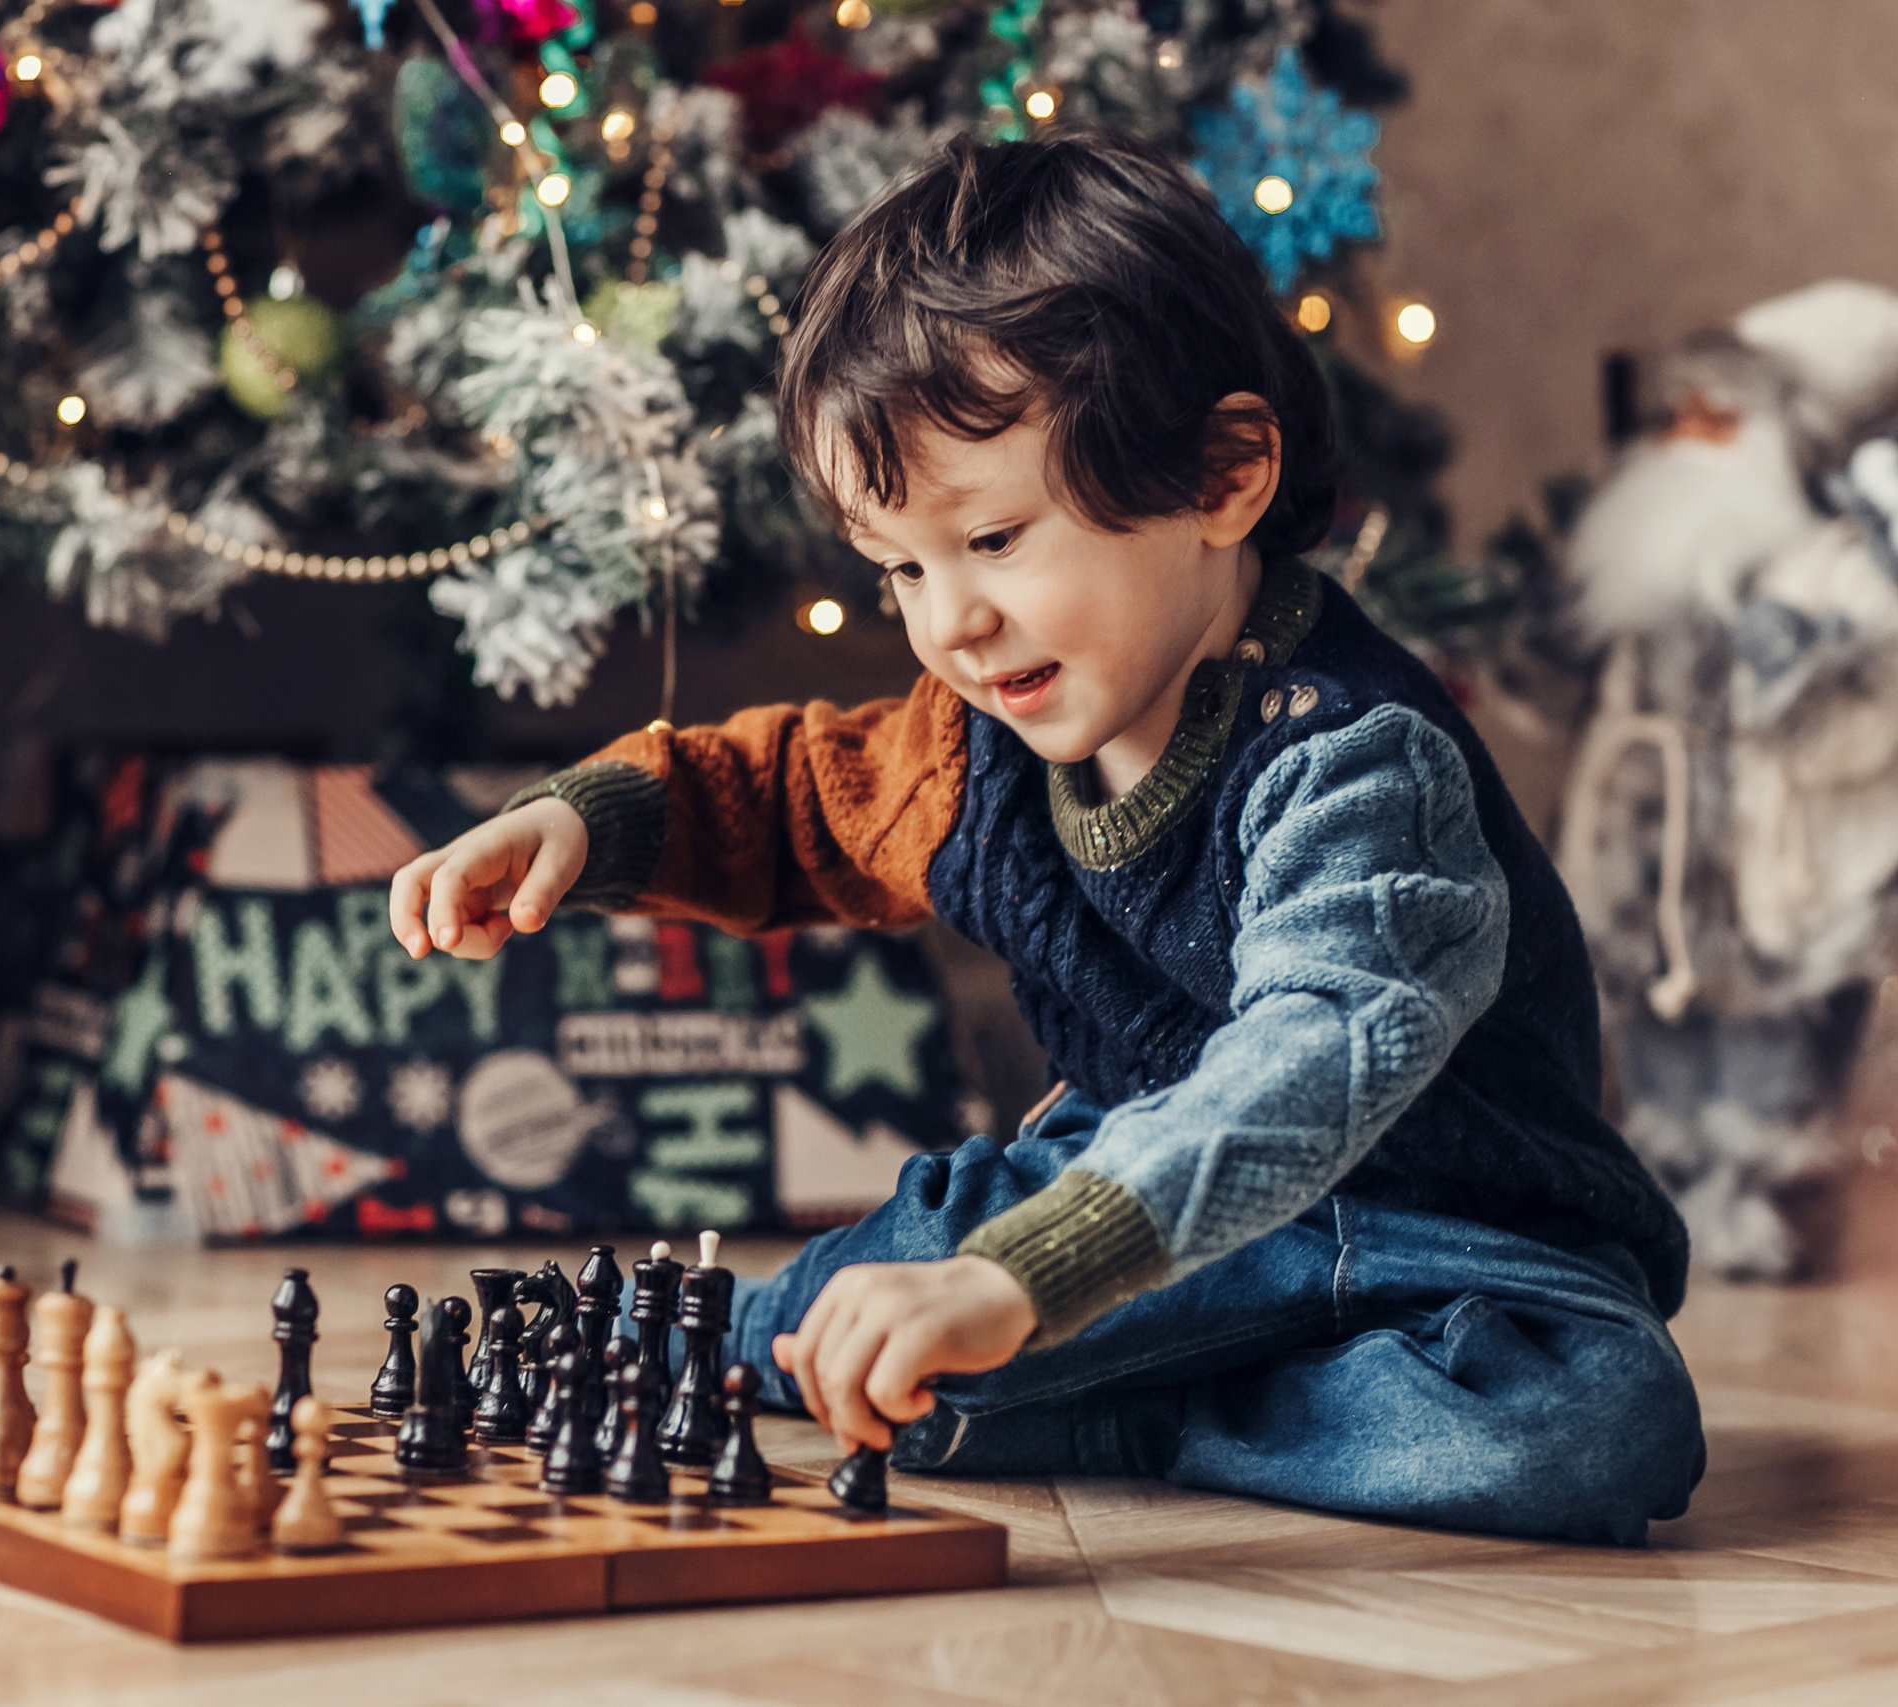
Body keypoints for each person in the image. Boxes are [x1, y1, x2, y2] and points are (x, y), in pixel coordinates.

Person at [390, 131, 1705, 1545]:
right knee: (870, 1309)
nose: (949, 623)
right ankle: (796, 1338)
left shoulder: (1358, 767)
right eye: (901, 568)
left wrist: (1032, 1276)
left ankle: (1131, 1406)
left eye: (997, 540)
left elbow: (1308, 1068)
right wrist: (580, 823)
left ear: (1224, 475)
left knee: (1598, 1429)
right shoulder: (979, 741)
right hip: (1126, 1202)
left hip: (1440, 1244)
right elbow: (795, 794)